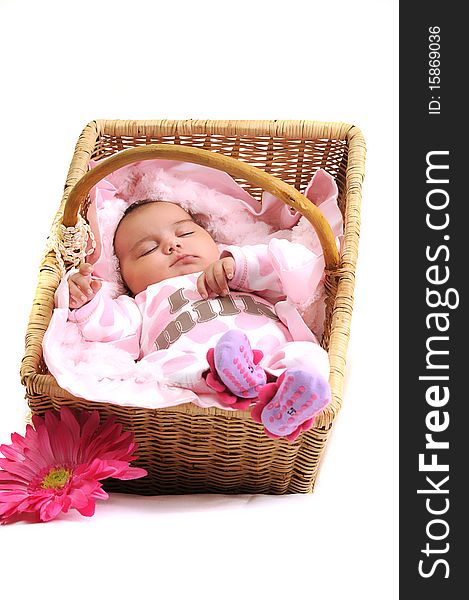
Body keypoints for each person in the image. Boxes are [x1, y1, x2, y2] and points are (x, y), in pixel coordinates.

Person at [67, 199, 331, 441]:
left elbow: (293, 272)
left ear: (210, 237)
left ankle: (286, 398)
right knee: (156, 368)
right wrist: (88, 300)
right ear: (125, 277)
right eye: (148, 250)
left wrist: (239, 268)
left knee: (308, 354)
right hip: (193, 366)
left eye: (185, 233)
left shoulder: (234, 263)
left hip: (270, 352)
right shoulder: (142, 302)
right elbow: (111, 329)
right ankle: (217, 375)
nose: (173, 245)